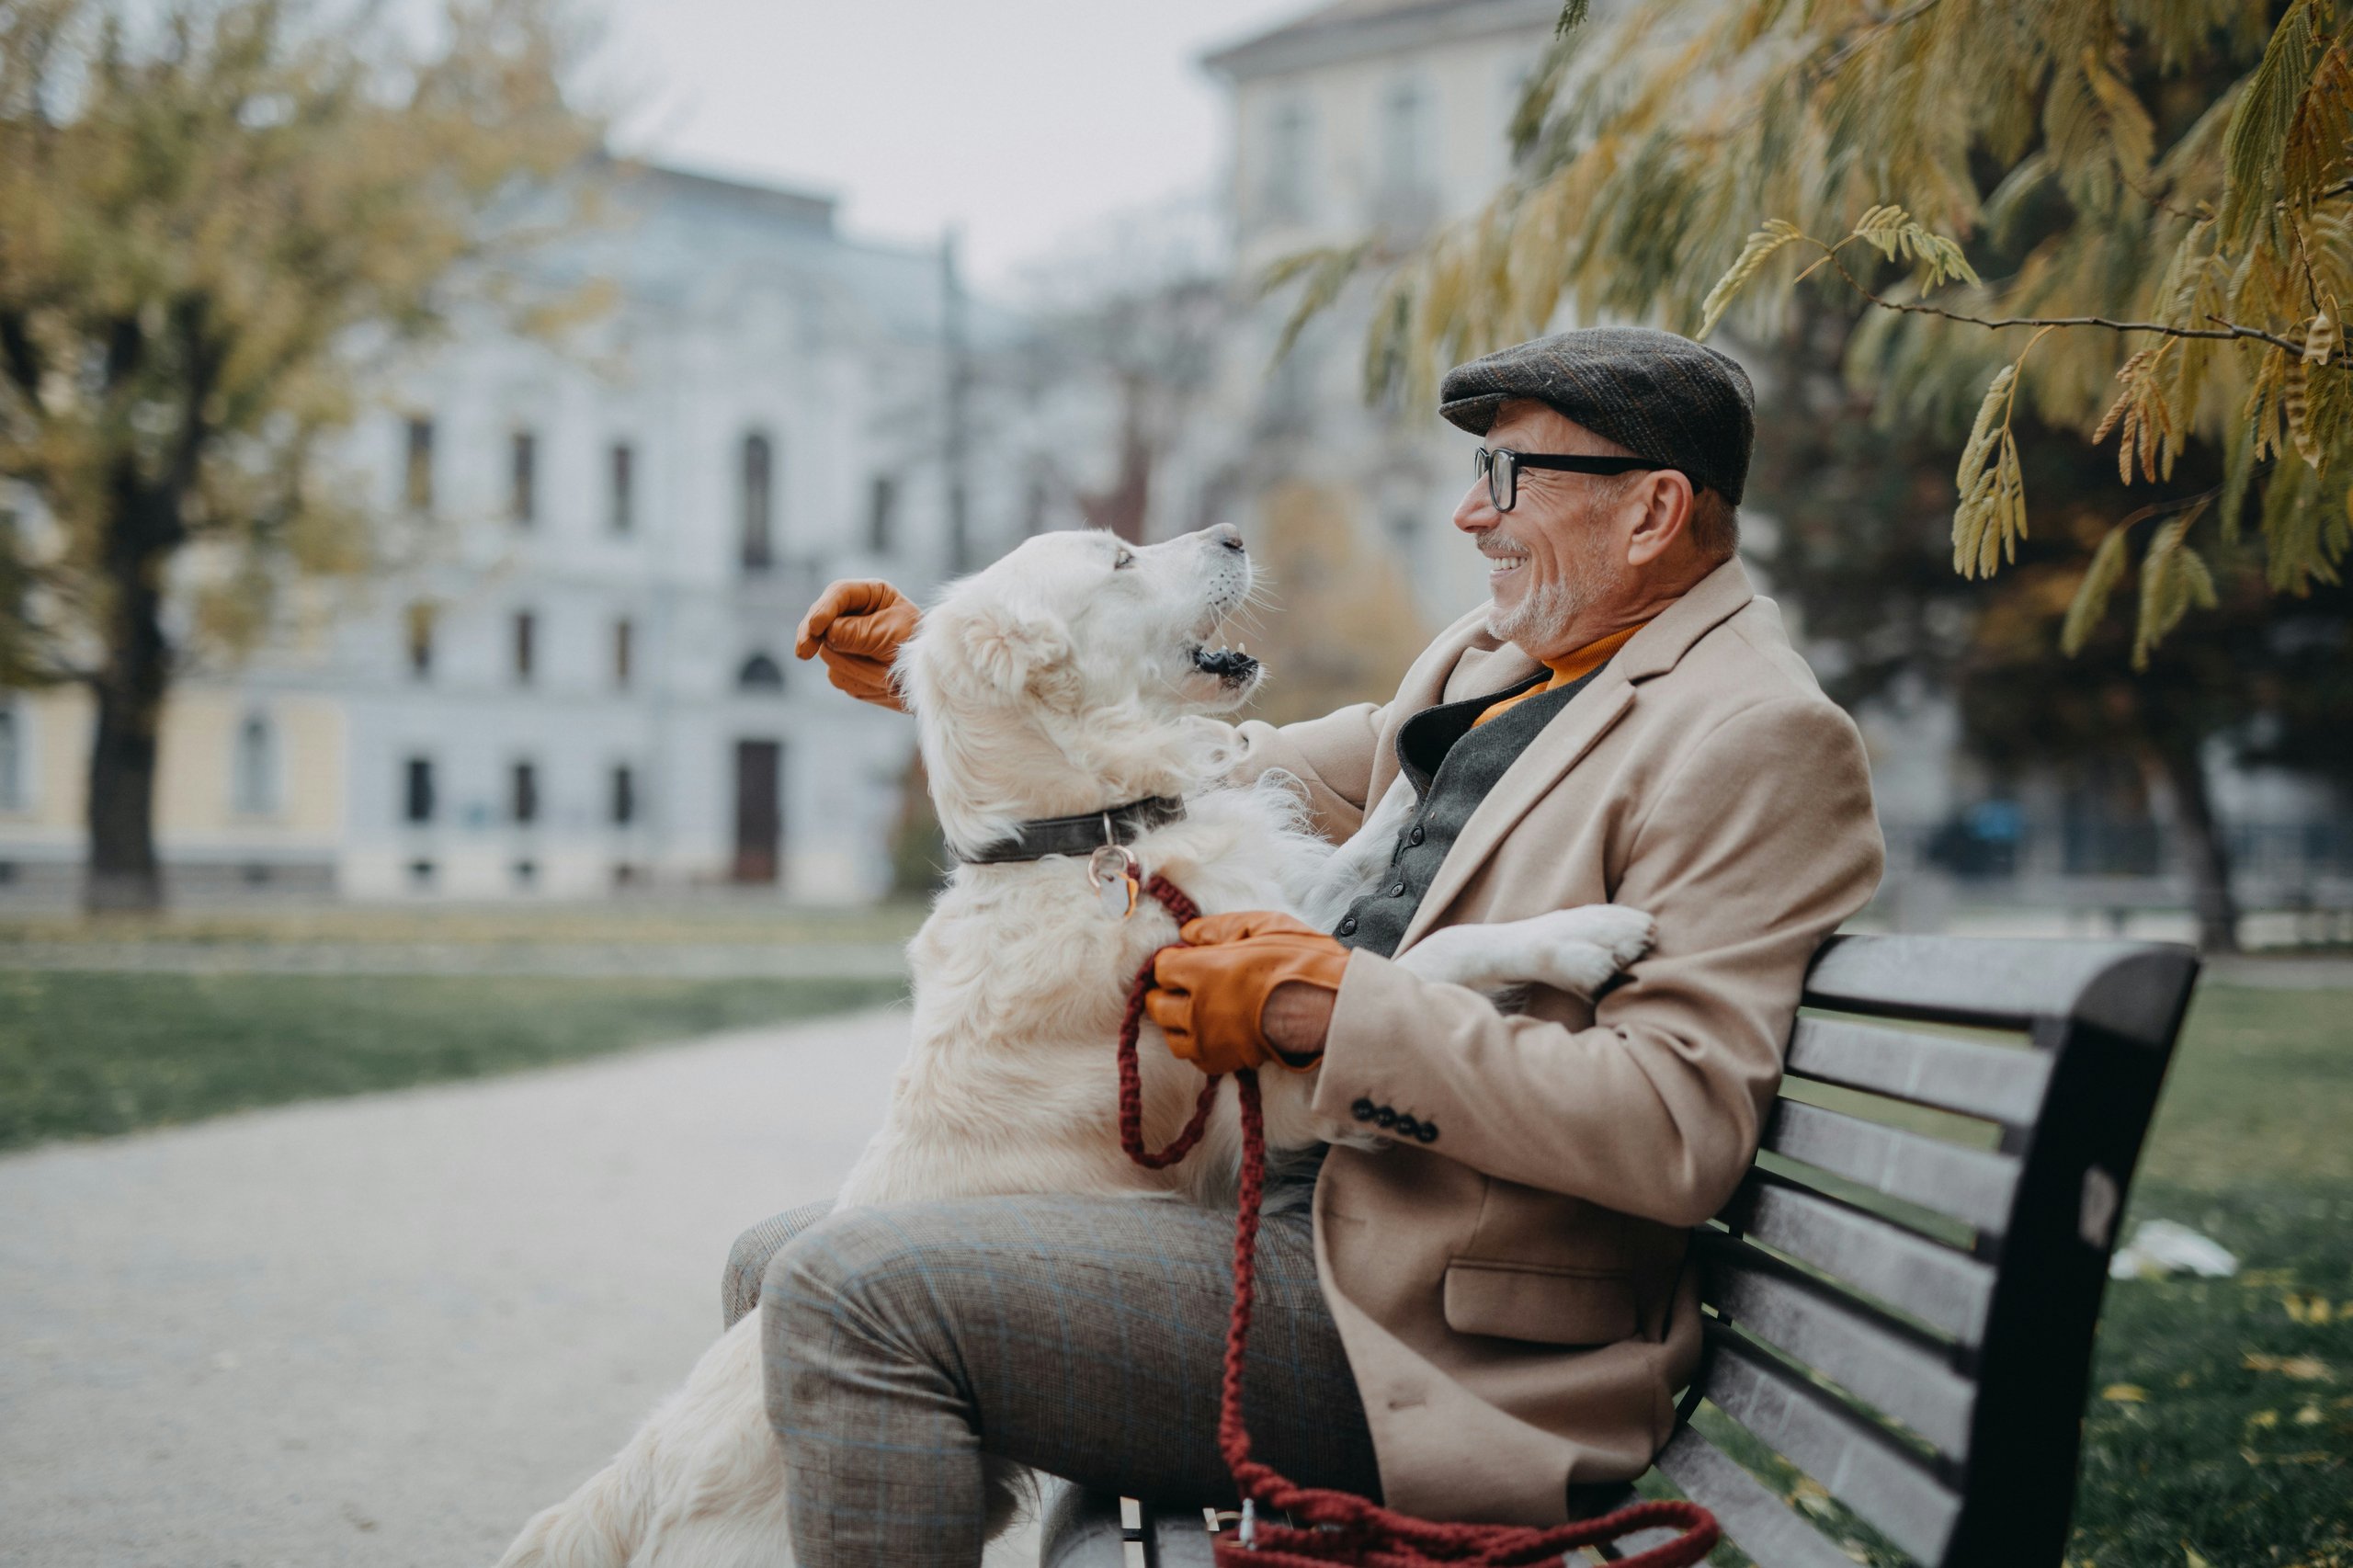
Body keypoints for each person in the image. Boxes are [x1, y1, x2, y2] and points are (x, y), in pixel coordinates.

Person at [738, 325, 1883, 1565]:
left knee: (847, 1291)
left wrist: (1333, 1010)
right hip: (1291, 1215)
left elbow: (1673, 1128)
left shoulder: (1756, 734)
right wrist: (976, 672)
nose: (1465, 514)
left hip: (1424, 1327)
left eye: (1505, 479)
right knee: (781, 1257)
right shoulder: (1500, 659)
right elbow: (1233, 770)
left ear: (1654, 510)